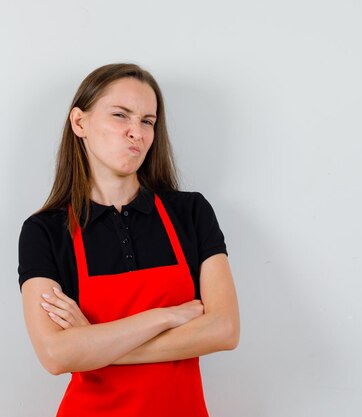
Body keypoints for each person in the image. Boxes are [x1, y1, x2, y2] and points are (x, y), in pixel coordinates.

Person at [18, 63, 240, 416]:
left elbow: (224, 329)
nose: (136, 132)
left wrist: (93, 343)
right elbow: (56, 355)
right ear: (80, 123)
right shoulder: (44, 231)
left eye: (148, 121)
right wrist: (166, 317)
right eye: (120, 115)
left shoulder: (191, 213)